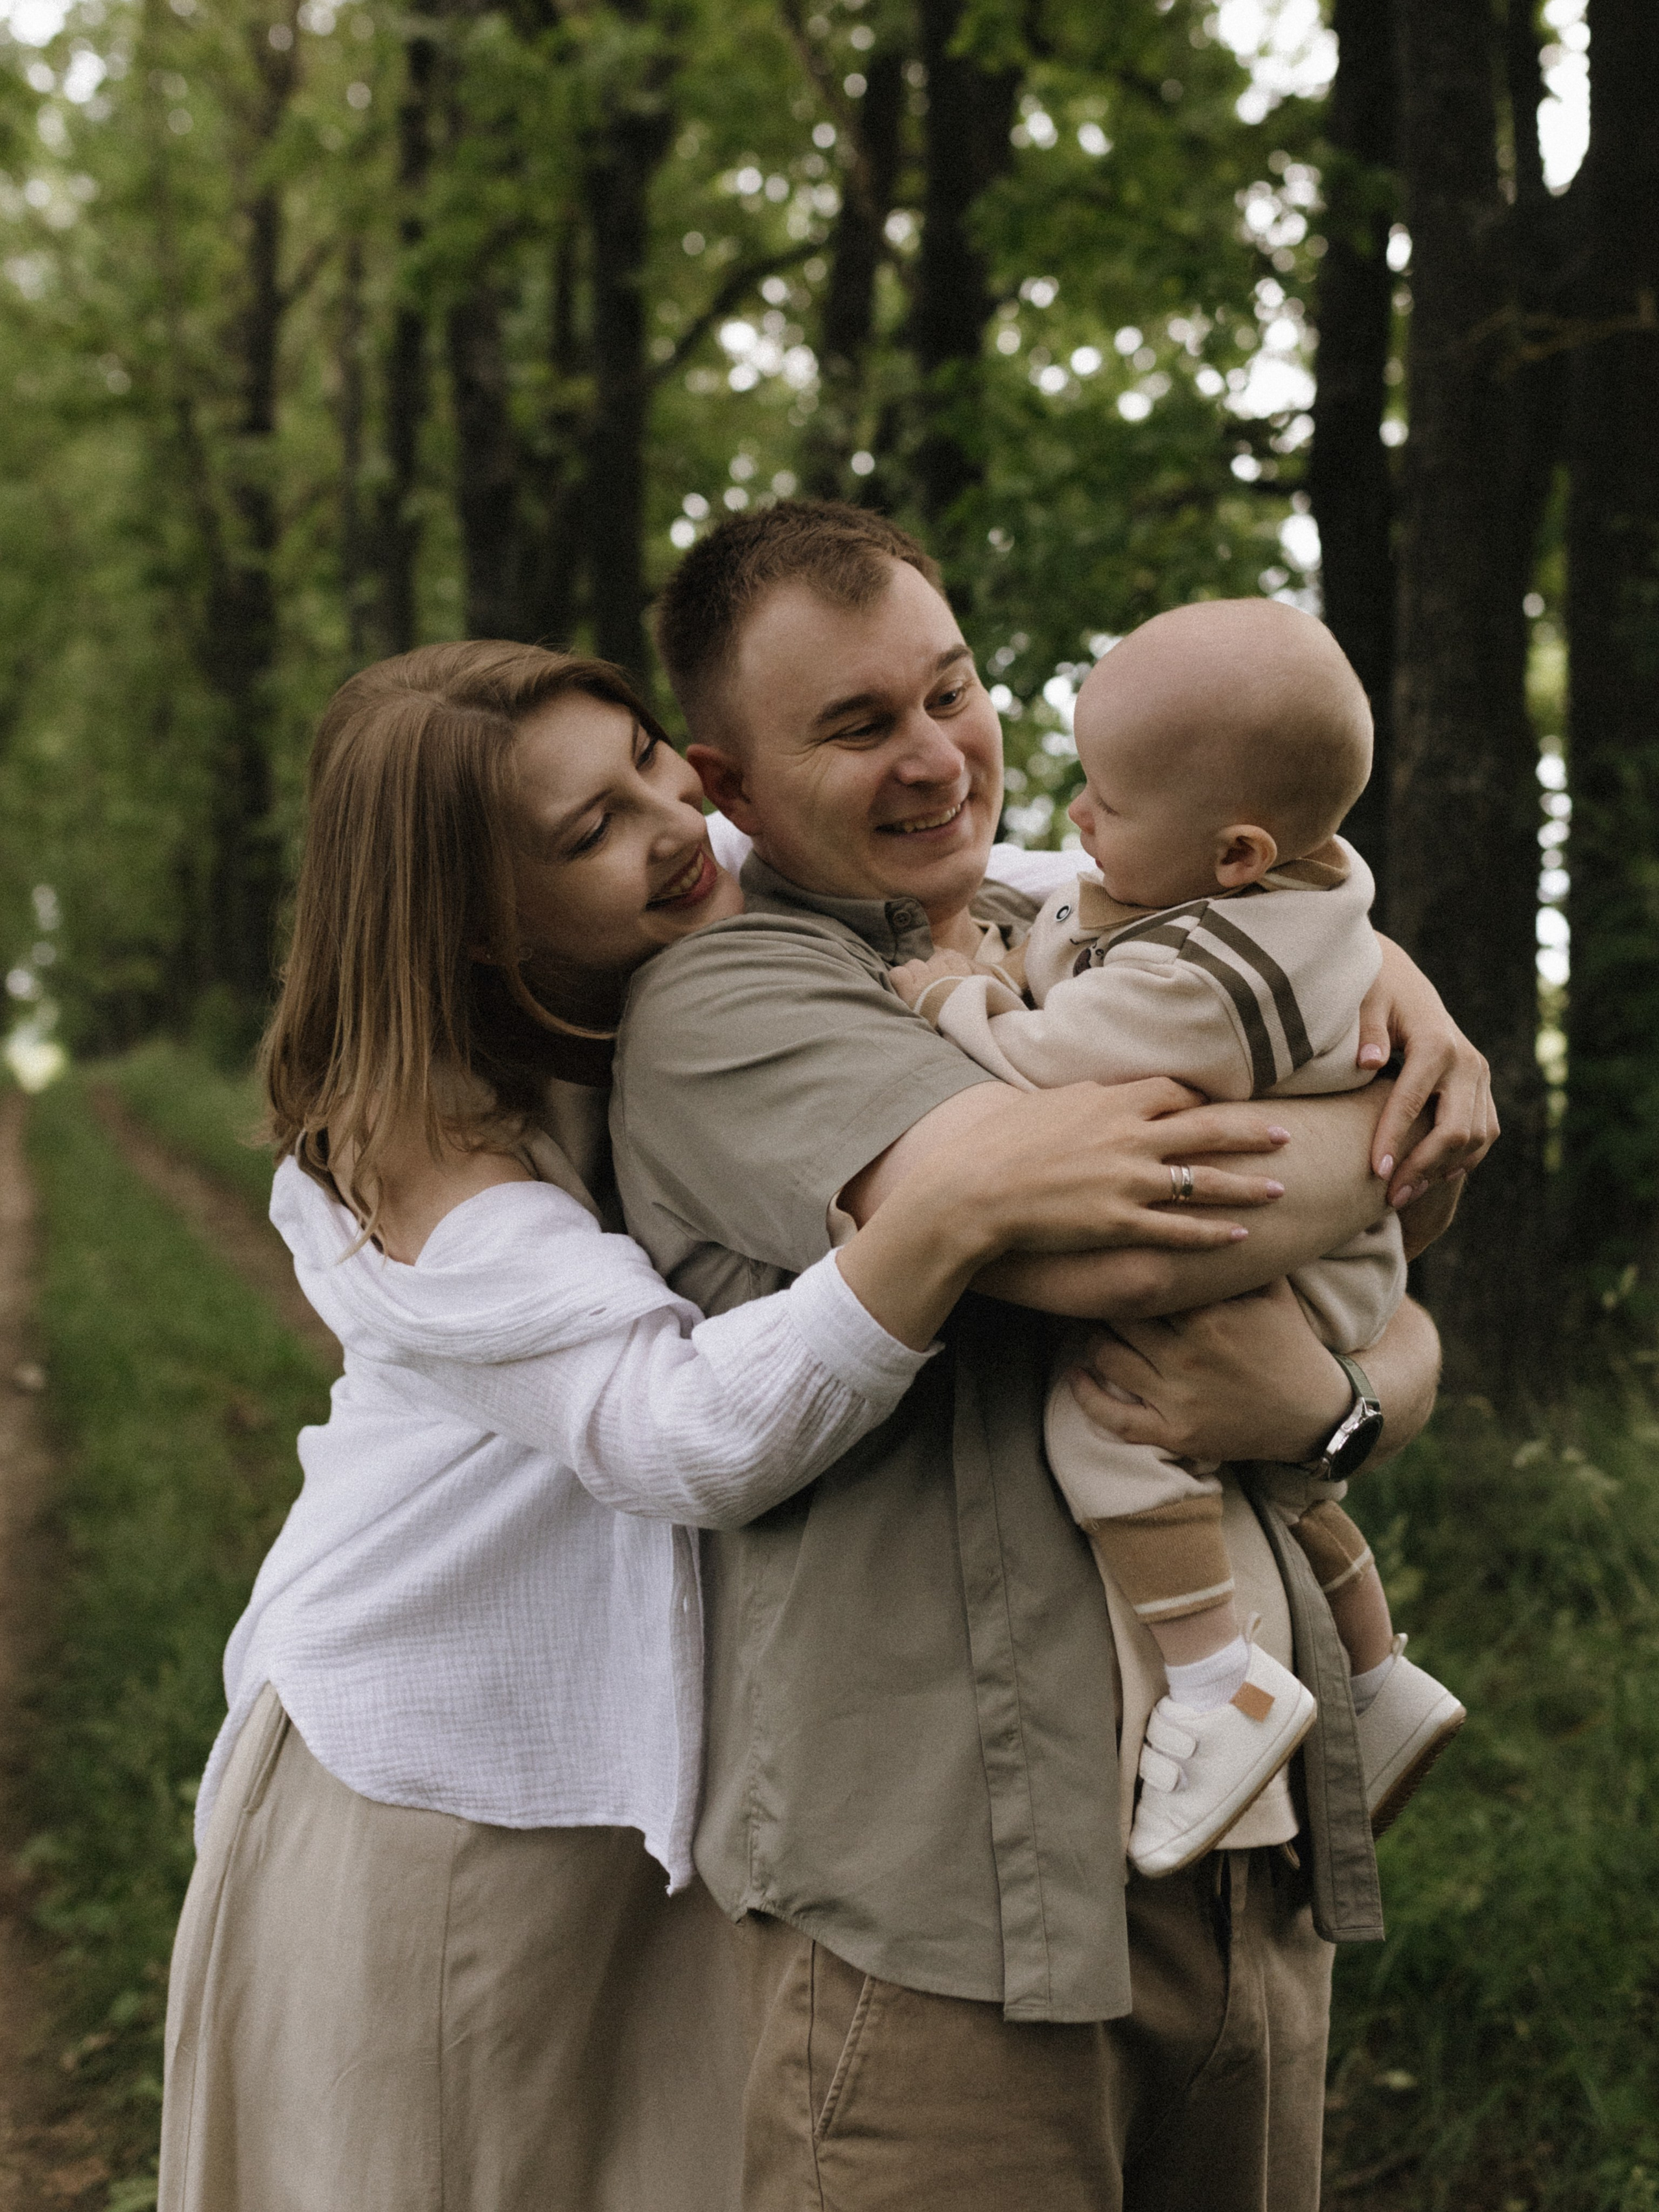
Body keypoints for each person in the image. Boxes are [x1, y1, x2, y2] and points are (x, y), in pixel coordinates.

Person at [156, 642, 1279, 2212]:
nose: (674, 823)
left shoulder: (694, 887)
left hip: (672, 1787)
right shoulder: (412, 1150)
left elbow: (1018, 869)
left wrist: (1360, 964)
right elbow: (677, 1437)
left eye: (646, 759)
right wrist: (938, 1216)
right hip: (450, 1794)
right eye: (589, 830)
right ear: (477, 923)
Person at [613, 500, 1496, 2211]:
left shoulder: (1093, 929)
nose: (936, 755)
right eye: (858, 724)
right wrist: (1397, 1120)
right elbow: (1116, 1247)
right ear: (730, 784)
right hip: (944, 1920)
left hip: (1246, 1881)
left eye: (948, 690)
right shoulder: (729, 1005)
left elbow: (1378, 1324)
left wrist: (1339, 1405)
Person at [891, 596, 1466, 1877]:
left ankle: (1215, 1687)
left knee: (1108, 1421)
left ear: (1235, 852)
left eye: (1105, 799)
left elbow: (1048, 1067)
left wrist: (947, 994)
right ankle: (1378, 1677)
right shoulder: (1270, 893)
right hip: (1325, 1254)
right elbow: (1074, 915)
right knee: (1269, 1470)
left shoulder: (1216, 978)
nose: (1076, 818)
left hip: (1304, 1276)